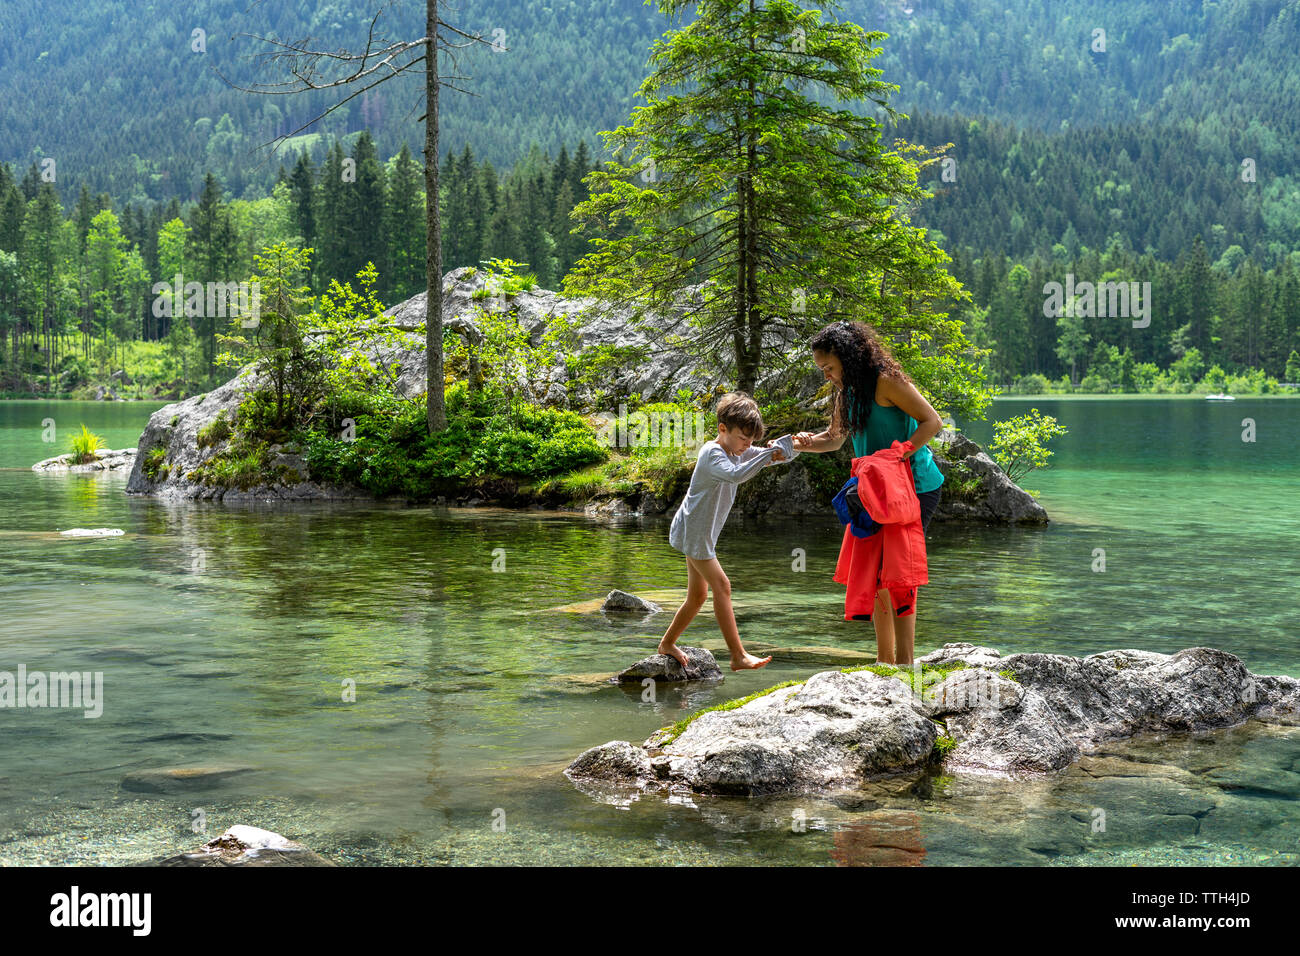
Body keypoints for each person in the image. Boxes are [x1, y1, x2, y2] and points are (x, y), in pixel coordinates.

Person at [792, 320, 945, 666]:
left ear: (848, 357)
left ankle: (905, 665)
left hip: (914, 488)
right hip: (873, 492)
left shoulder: (886, 381)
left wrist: (899, 453)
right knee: (875, 574)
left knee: (899, 576)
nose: (827, 375)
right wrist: (803, 444)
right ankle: (884, 663)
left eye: (829, 367)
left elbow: (932, 421)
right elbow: (834, 439)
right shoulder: (847, 392)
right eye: (822, 370)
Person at [658, 392, 796, 672]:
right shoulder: (713, 453)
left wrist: (791, 446)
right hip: (694, 534)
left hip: (697, 532)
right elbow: (737, 475)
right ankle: (738, 655)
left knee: (697, 597)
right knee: (722, 587)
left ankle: (667, 644)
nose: (748, 446)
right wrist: (768, 454)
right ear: (723, 429)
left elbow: (766, 458)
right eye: (744, 439)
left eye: (751, 441)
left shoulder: (737, 451)